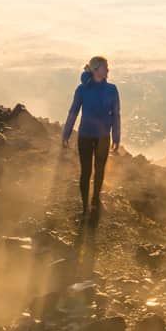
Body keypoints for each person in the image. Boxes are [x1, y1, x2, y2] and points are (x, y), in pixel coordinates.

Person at [61, 55, 121, 214]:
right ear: (96, 70)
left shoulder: (112, 89)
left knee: (100, 170)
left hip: (103, 137)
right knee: (86, 171)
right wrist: (65, 134)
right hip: (85, 136)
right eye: (105, 67)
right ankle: (84, 206)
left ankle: (95, 200)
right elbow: (73, 112)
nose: (108, 69)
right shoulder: (82, 89)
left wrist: (116, 137)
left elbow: (116, 114)